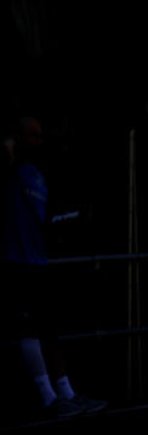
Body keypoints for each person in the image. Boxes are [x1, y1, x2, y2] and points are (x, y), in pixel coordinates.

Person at [2, 116, 107, 419]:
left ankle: (65, 392)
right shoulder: (14, 174)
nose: (40, 141)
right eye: (33, 136)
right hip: (19, 262)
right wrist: (76, 216)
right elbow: (47, 220)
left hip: (37, 261)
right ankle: (48, 398)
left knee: (48, 328)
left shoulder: (35, 173)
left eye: (40, 136)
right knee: (29, 328)